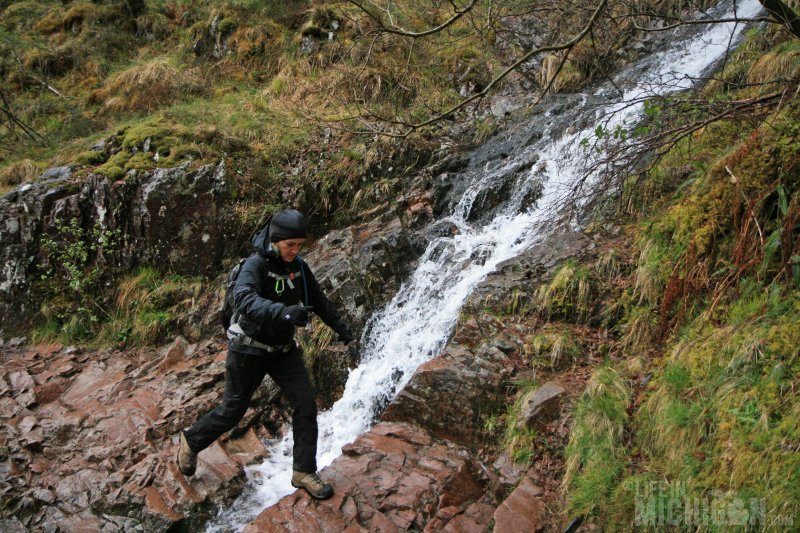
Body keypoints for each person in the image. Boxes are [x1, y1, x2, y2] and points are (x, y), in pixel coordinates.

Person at [177, 209, 356, 500]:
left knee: (305, 405)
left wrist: (346, 332)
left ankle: (303, 471)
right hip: (248, 349)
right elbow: (245, 299)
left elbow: (321, 302)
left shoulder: (298, 268)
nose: (295, 251)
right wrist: (285, 313)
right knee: (232, 411)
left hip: (283, 351)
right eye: (290, 245)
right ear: (276, 240)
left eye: (299, 245)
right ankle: (191, 440)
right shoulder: (255, 265)